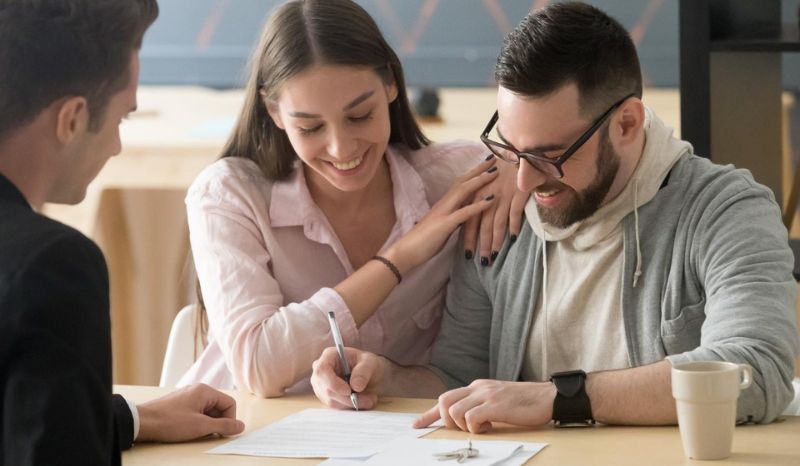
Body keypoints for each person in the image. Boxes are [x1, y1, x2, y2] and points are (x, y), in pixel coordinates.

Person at [310, 1, 799, 431]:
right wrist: (389, 377)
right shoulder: (500, 214)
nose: (523, 181)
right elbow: (462, 377)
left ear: (627, 124)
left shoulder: (725, 210)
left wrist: (558, 399)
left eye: (549, 155)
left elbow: (758, 371)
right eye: (511, 149)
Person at [178, 0, 525, 396]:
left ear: (391, 84)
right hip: (245, 425)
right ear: (274, 111)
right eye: (310, 127)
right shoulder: (228, 194)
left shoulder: (458, 179)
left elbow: (539, 158)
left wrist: (517, 163)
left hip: (398, 428)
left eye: (360, 116)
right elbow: (258, 367)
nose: (341, 148)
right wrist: (400, 257)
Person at [0, 1, 244, 464]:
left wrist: (134, 418)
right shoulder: (52, 264)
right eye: (121, 119)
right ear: (72, 119)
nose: (116, 145)